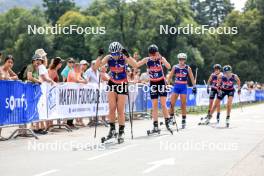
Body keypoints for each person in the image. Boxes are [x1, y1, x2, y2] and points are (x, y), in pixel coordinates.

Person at [95, 42, 137, 142]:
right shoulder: (108, 58)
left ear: (120, 52)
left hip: (122, 84)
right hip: (112, 83)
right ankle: (112, 130)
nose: (115, 56)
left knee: (120, 109)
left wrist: (128, 56)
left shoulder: (123, 57)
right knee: (112, 108)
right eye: (113, 54)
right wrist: (99, 56)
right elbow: (97, 66)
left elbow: (135, 65)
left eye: (116, 54)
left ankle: (121, 131)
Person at [137, 44, 173, 133]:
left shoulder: (160, 59)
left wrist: (162, 59)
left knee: (163, 104)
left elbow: (169, 67)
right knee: (154, 105)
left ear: (157, 53)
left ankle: (167, 121)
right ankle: (155, 125)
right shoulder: (147, 60)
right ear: (149, 54)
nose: (153, 56)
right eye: (151, 54)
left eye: (154, 54)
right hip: (153, 83)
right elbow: (137, 65)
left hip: (161, 82)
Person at [167, 53, 197, 129]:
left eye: (182, 59)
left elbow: (192, 77)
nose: (181, 61)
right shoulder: (175, 67)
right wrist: (166, 84)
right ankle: (171, 118)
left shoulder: (187, 68)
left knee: (183, 104)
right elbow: (170, 77)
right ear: (178, 60)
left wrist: (194, 86)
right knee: (172, 103)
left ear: (185, 60)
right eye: (180, 59)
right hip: (176, 86)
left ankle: (183, 119)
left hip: (184, 87)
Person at [0, 55, 18, 139]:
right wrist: (4, 77)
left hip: (5, 96)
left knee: (3, 116)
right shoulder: (1, 69)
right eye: (8, 62)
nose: (10, 64)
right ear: (5, 62)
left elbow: (16, 77)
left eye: (12, 62)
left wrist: (9, 78)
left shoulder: (8, 70)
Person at [67, 63, 88, 128]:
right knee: (71, 108)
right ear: (76, 67)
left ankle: (71, 123)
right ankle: (69, 123)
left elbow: (81, 79)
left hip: (75, 93)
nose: (81, 69)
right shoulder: (72, 72)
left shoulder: (78, 73)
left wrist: (84, 80)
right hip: (70, 92)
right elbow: (76, 80)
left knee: (74, 108)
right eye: (80, 68)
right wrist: (83, 81)